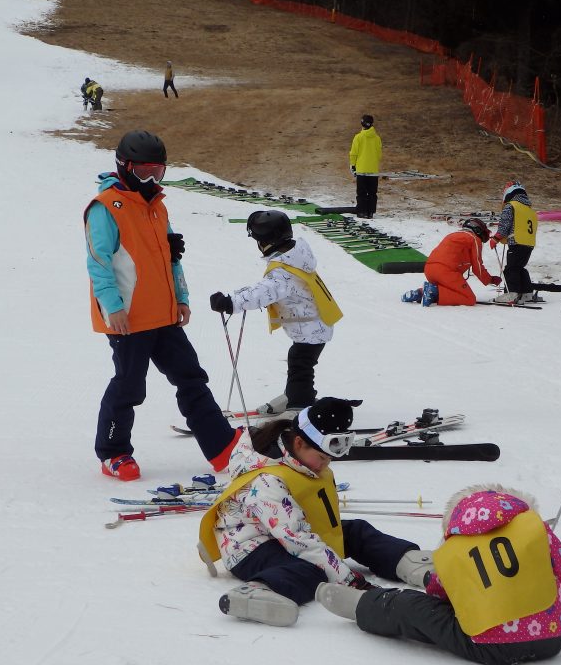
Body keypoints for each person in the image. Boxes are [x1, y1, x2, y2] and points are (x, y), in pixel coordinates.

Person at [84, 130, 241, 481]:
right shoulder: (105, 208)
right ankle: (114, 452)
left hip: (164, 315)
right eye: (144, 172)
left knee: (191, 378)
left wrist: (181, 298)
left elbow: (171, 258)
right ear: (124, 167)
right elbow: (99, 263)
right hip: (128, 318)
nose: (152, 180)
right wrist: (113, 309)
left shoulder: (158, 206)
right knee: (129, 386)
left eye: (158, 172)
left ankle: (222, 446)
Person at [200, 398, 433, 627]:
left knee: (356, 531)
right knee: (311, 570)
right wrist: (351, 581)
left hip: (282, 533)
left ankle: (412, 563)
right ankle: (256, 592)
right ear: (299, 443)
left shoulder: (295, 455)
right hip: (249, 547)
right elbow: (299, 540)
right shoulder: (267, 481)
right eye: (322, 457)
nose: (326, 464)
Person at [316, 485, 561, 664]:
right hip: (553, 640)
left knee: (414, 608)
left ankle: (365, 604)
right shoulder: (534, 530)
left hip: (489, 644)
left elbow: (443, 596)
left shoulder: (456, 549)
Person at [209, 210, 341, 417]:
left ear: (267, 242)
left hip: (311, 328)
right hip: (314, 326)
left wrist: (231, 302)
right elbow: (266, 288)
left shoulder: (283, 271)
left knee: (300, 364)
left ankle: (299, 405)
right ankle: (294, 394)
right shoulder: (295, 256)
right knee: (299, 361)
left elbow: (264, 292)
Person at [403, 218, 501, 307]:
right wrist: (490, 280)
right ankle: (433, 291)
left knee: (450, 289)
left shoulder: (452, 235)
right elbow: (477, 266)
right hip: (446, 271)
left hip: (429, 269)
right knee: (469, 299)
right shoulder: (474, 239)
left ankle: (420, 293)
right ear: (478, 230)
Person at [490, 180, 538, 304]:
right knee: (519, 268)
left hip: (516, 243)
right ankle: (527, 293)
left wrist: (496, 238)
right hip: (529, 244)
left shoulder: (511, 206)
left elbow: (505, 224)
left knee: (511, 269)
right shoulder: (530, 210)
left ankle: (511, 294)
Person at [348, 114, 382, 218]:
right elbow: (379, 154)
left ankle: (362, 211)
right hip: (373, 170)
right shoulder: (377, 138)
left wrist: (353, 165)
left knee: (362, 192)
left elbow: (354, 153)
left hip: (361, 170)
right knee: (372, 193)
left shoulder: (358, 137)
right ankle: (370, 212)